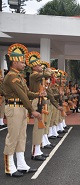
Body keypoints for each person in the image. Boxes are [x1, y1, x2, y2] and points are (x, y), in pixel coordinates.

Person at [3, 43, 42, 177]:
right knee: (13, 137)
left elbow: (27, 93)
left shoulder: (19, 76)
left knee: (21, 137)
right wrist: (33, 110)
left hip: (21, 109)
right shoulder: (11, 77)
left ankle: (21, 164)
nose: (25, 64)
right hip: (14, 108)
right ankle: (9, 167)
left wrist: (38, 95)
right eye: (22, 62)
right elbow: (22, 95)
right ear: (14, 62)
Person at [27, 51, 52, 161]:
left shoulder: (38, 76)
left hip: (40, 100)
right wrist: (47, 69)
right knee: (38, 126)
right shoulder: (34, 75)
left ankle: (38, 150)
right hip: (36, 100)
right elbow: (47, 74)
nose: (40, 67)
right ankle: (35, 152)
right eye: (37, 65)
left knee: (41, 125)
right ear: (33, 67)